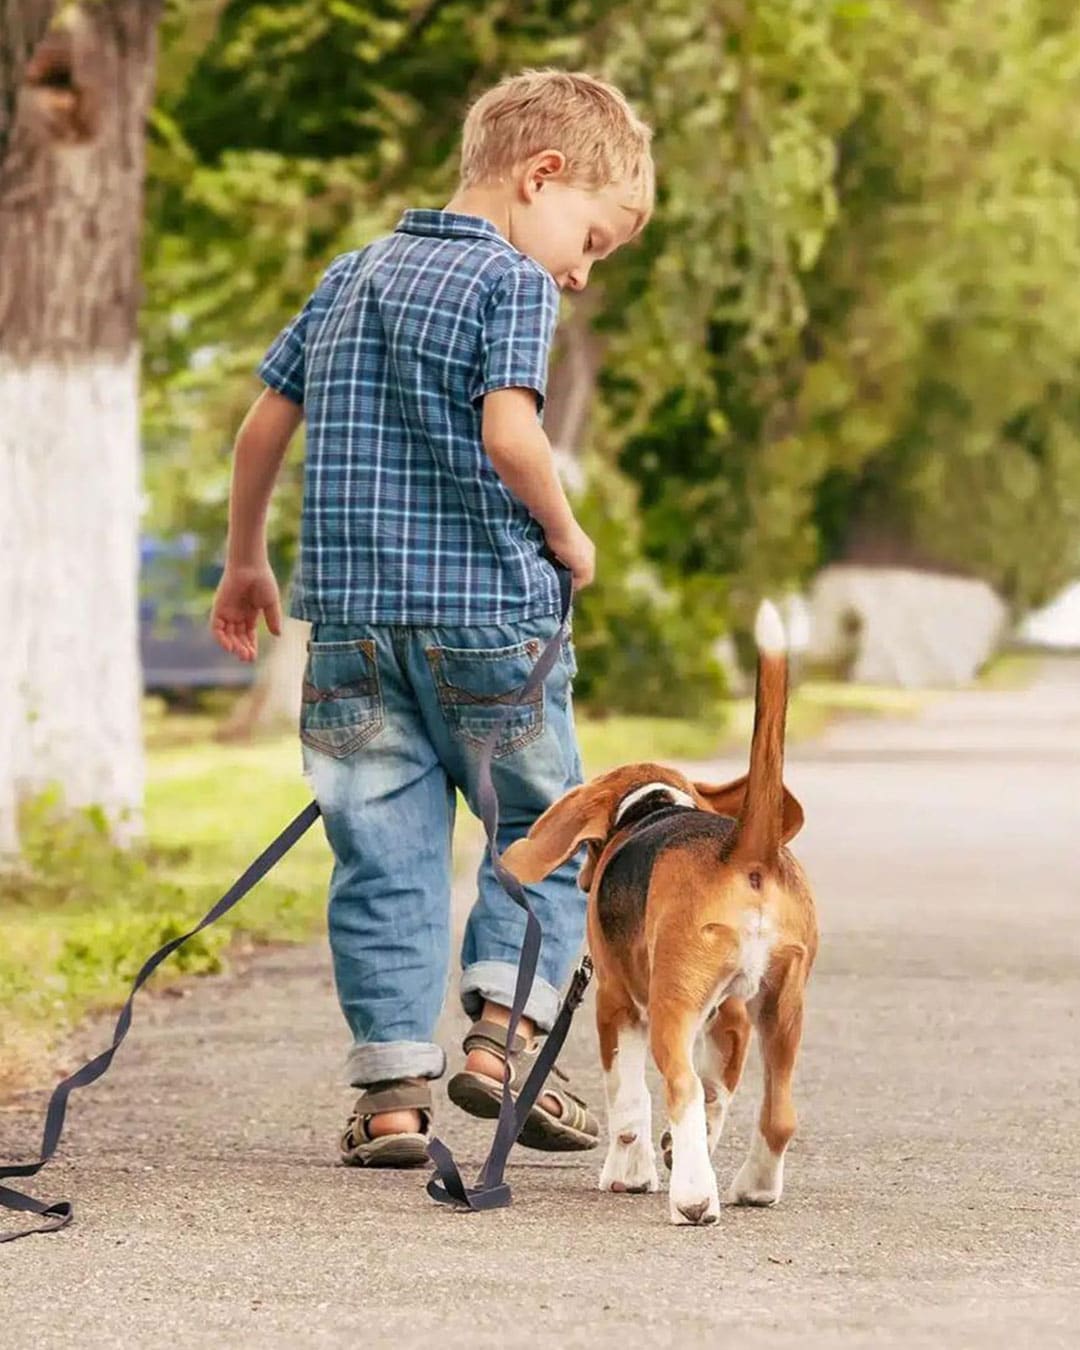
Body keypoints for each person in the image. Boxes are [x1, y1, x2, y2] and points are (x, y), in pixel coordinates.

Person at [210, 68, 654, 1166]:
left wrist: (243, 561)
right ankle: (502, 1046)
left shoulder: (349, 276)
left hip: (352, 633)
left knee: (381, 855)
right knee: (546, 835)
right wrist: (567, 533)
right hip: (487, 629)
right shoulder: (512, 284)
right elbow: (511, 434)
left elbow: (264, 425)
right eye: (591, 239)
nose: (583, 273)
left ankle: (393, 1100)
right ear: (540, 176)